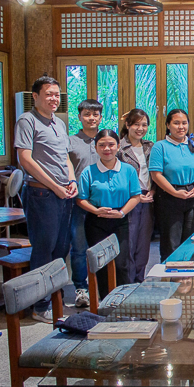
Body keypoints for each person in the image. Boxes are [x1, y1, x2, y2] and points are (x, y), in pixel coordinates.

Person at [14, 75, 78, 323]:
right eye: (49, 94)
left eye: (57, 94)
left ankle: (55, 298)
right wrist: (56, 187)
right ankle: (39, 306)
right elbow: (25, 160)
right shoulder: (27, 121)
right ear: (36, 97)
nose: (54, 98)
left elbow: (65, 159)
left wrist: (71, 182)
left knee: (62, 249)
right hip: (42, 194)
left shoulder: (58, 123)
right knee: (44, 249)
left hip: (63, 194)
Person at [77, 129, 141, 300]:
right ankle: (106, 302)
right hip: (96, 221)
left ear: (118, 146)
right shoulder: (88, 172)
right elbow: (81, 199)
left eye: (111, 144)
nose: (107, 148)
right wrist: (96, 210)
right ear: (96, 148)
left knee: (122, 264)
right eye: (102, 145)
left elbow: (136, 196)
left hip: (121, 219)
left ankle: (124, 301)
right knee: (101, 265)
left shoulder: (128, 170)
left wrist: (121, 213)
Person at [149, 109, 194, 260]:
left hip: (193, 198)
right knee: (171, 243)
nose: (181, 127)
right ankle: (171, 280)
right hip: (169, 198)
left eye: (184, 123)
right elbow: (156, 175)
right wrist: (174, 192)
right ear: (168, 125)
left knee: (193, 241)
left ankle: (190, 280)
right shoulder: (160, 147)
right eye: (176, 123)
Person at [67, 98, 103, 309]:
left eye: (95, 114)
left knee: (103, 247)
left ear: (100, 117)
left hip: (104, 202)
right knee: (79, 247)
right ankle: (81, 289)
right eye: (87, 114)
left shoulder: (106, 139)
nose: (91, 118)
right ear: (79, 117)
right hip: (79, 202)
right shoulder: (71, 141)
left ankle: (103, 286)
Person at [118, 109, 155, 283]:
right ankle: (127, 283)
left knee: (143, 244)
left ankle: (140, 280)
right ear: (127, 125)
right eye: (136, 124)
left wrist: (153, 191)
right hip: (129, 199)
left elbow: (155, 173)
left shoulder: (150, 146)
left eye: (144, 125)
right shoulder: (119, 148)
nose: (140, 128)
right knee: (129, 243)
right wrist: (137, 197)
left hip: (149, 198)